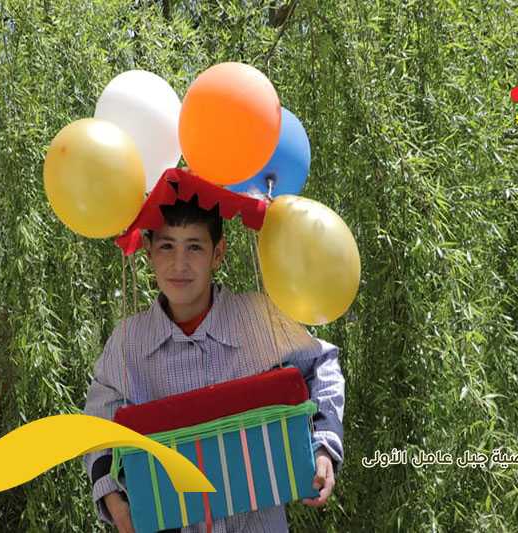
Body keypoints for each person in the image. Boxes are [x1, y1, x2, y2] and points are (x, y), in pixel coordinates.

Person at [83, 194, 345, 533]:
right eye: (166, 246)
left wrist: (323, 446)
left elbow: (322, 363)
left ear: (217, 253)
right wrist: (113, 498)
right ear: (148, 252)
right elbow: (98, 425)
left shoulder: (258, 318)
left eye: (194, 247)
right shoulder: (127, 343)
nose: (179, 264)